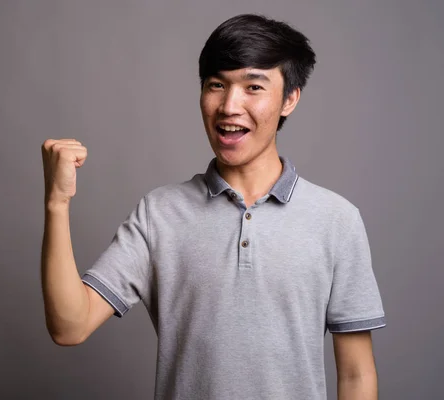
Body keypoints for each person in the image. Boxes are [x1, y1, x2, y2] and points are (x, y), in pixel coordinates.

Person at [41, 14, 385, 400]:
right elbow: (70, 326)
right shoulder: (160, 214)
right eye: (216, 85)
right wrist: (57, 202)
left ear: (290, 98)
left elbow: (356, 375)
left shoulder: (336, 220)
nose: (229, 106)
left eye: (253, 86)